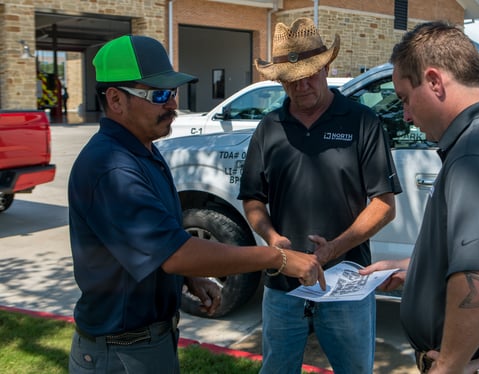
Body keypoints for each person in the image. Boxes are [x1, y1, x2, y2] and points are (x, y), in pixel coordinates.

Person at [67, 34, 325, 374]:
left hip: (145, 343)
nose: (173, 104)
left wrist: (190, 278)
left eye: (173, 93)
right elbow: (175, 253)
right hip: (120, 353)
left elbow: (153, 243)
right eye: (159, 95)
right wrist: (277, 257)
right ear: (116, 99)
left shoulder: (142, 150)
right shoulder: (111, 168)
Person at [360, 21, 479, 374]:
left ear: (433, 81)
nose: (407, 116)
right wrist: (415, 270)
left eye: (405, 99)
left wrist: (445, 369)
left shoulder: (476, 153)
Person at [238, 17, 402, 374]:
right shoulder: (269, 128)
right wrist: (273, 240)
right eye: (291, 79)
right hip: (283, 284)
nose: (302, 84)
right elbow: (252, 199)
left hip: (347, 285)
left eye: (311, 72)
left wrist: (335, 247)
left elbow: (384, 205)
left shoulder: (362, 122)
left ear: (327, 66)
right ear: (280, 79)